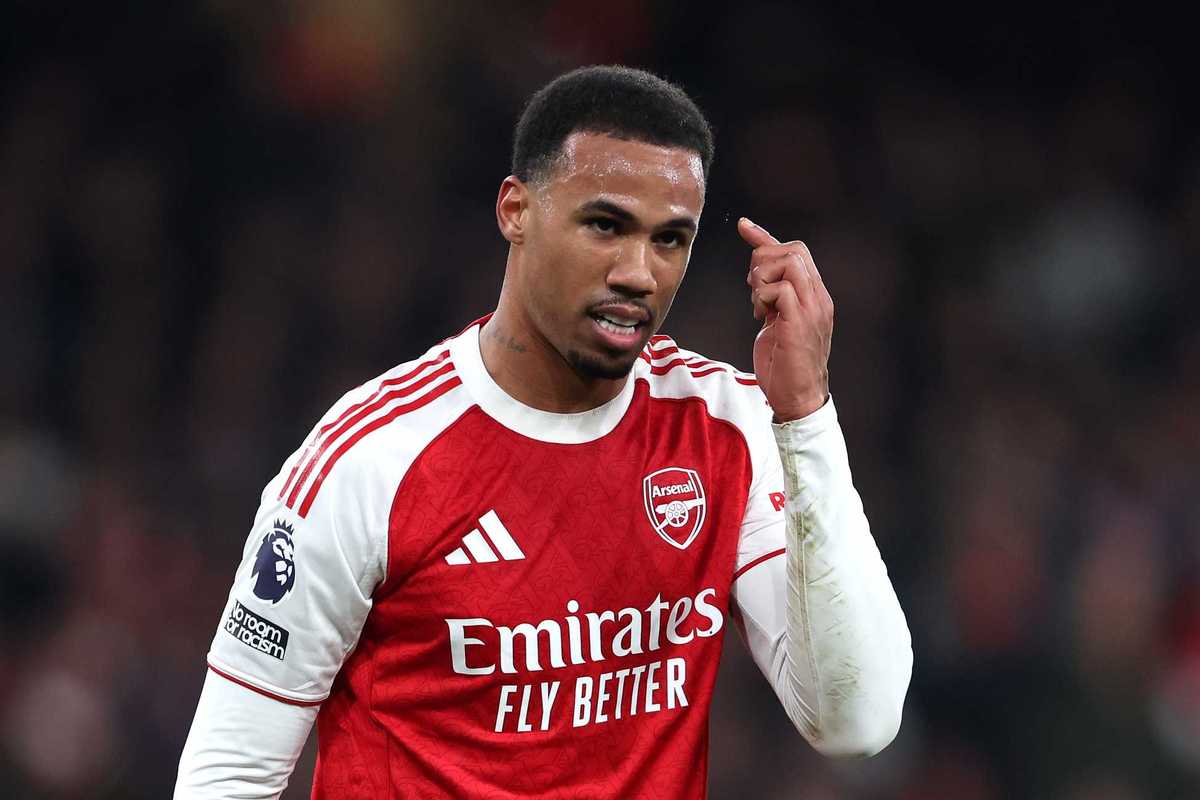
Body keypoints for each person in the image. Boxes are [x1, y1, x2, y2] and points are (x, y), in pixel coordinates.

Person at [174, 65, 912, 799]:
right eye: (605, 224)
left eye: (670, 240)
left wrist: (806, 416)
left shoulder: (727, 425)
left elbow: (857, 721)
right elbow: (229, 775)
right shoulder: (371, 459)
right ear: (516, 210)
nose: (638, 272)